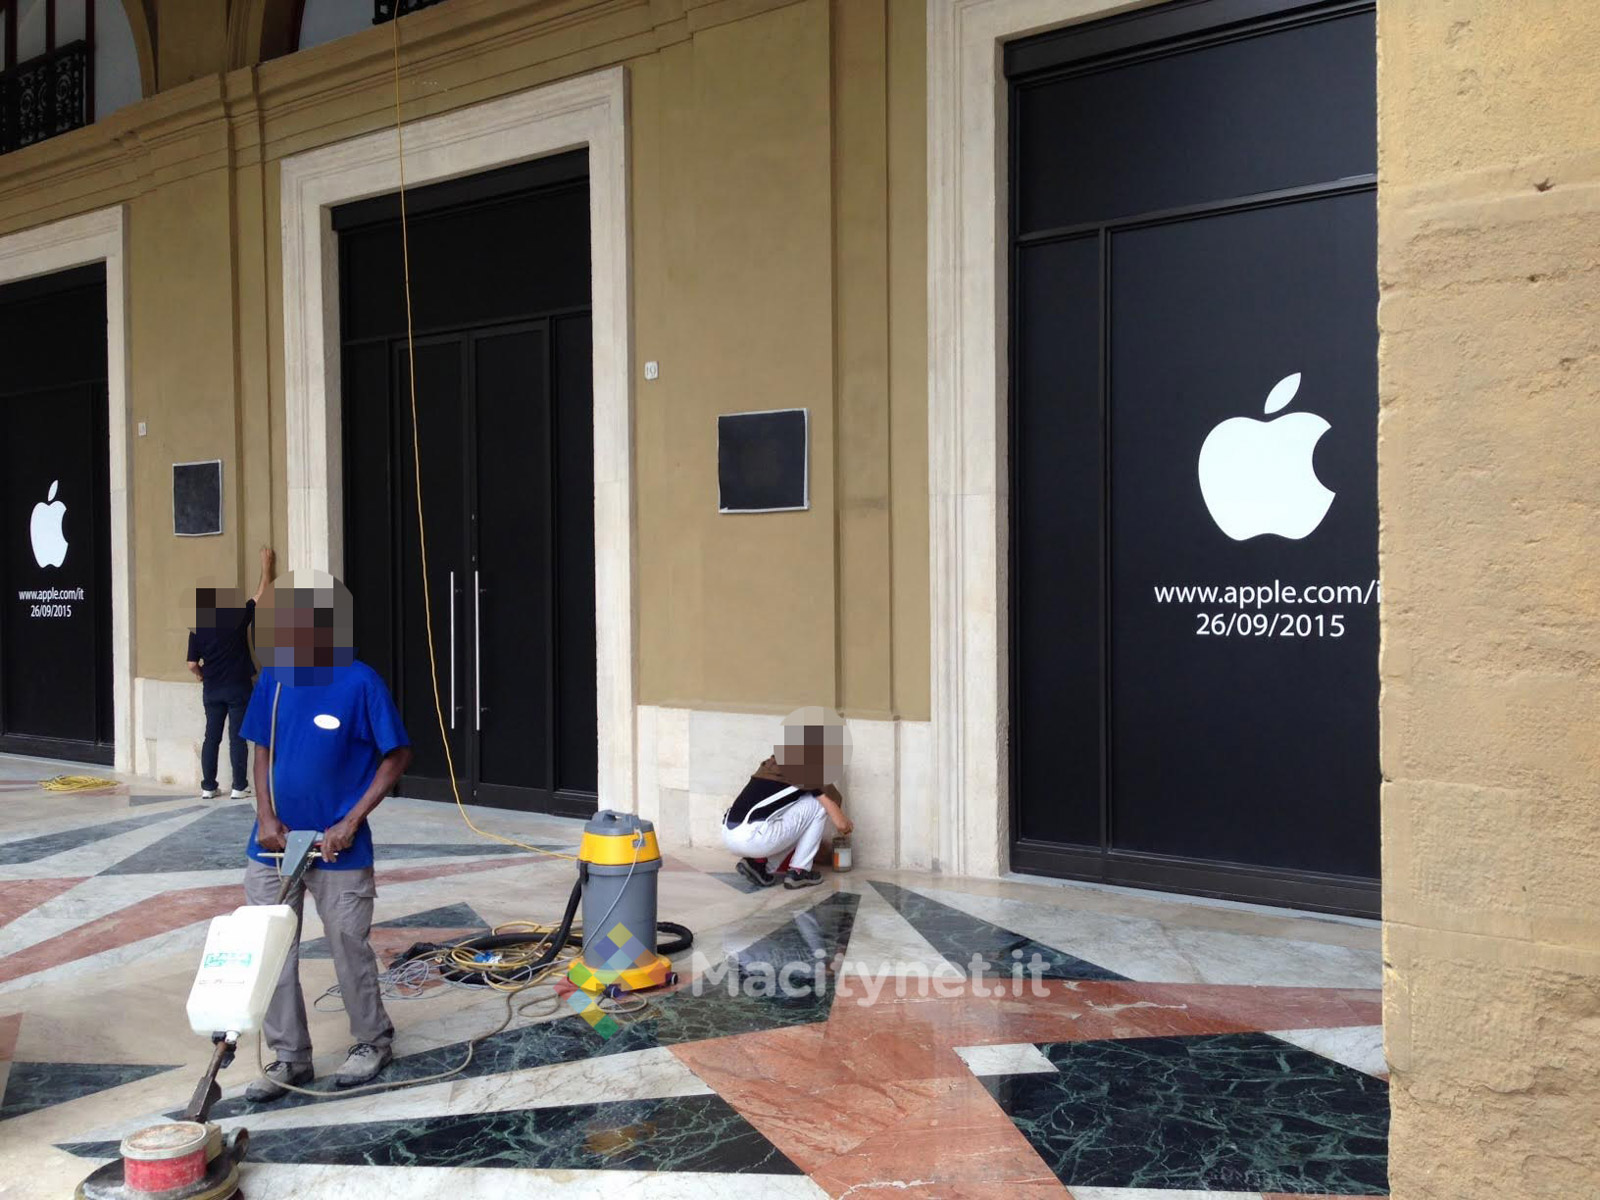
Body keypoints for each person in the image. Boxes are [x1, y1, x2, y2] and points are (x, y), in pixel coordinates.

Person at [237, 569, 413, 1101]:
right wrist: (264, 814)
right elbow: (260, 749)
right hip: (271, 845)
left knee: (346, 942)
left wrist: (351, 821)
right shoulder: (274, 678)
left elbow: (397, 754)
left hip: (340, 846)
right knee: (270, 949)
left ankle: (372, 1041)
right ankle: (290, 1056)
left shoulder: (361, 681)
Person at [722, 711, 853, 889]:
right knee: (818, 804)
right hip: (755, 838)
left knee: (797, 805)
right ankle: (799, 871)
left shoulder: (771, 764)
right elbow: (841, 824)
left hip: (730, 835)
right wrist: (846, 827)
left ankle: (759, 864)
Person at [187, 546, 276, 799]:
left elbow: (192, 664)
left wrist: (202, 674)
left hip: (212, 688)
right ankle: (239, 786)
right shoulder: (236, 617)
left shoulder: (197, 629)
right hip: (238, 687)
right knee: (238, 737)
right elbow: (261, 595)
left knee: (211, 737)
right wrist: (266, 566)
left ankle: (208, 786)